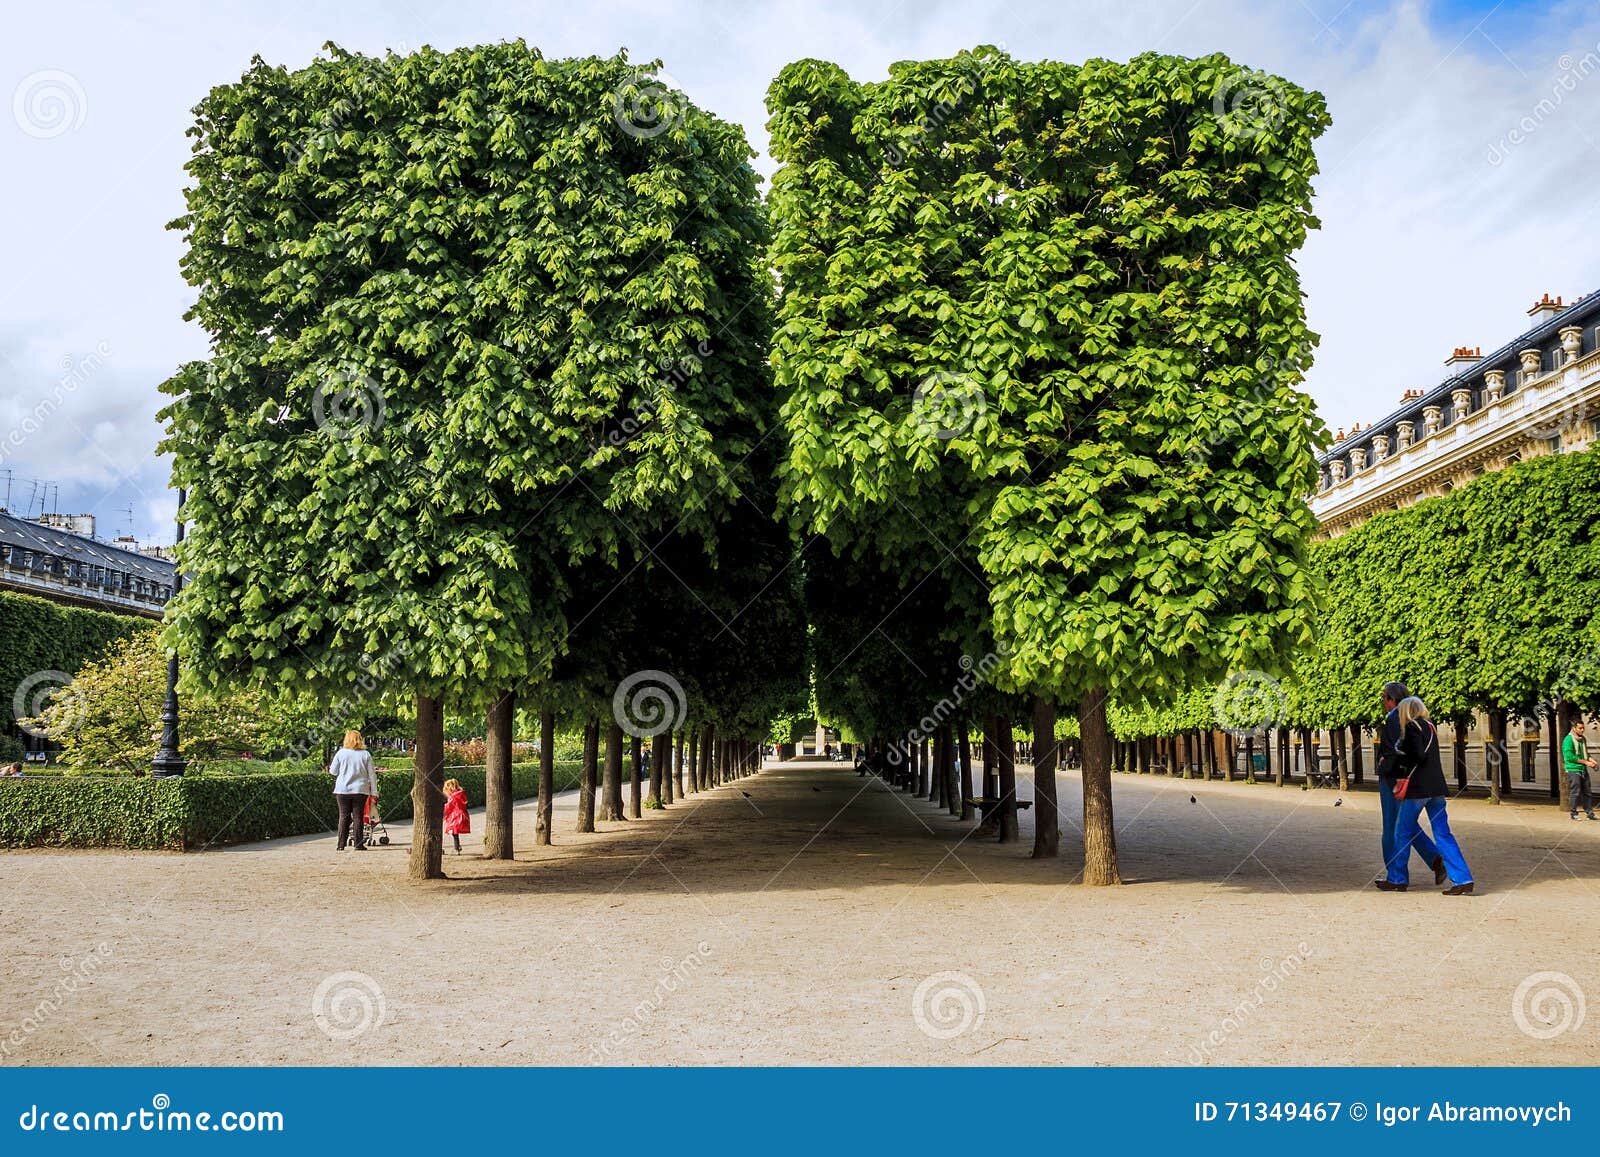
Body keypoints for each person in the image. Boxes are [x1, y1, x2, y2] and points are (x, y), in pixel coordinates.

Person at [1377, 696, 1474, 895]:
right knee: (1443, 833)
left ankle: (1397, 878)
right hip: (1436, 789)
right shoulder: (1430, 726)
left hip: (1418, 790)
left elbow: (1417, 756)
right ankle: (1462, 879)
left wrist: (1394, 762)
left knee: (1401, 833)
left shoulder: (1412, 727)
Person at [1376, 681, 1445, 887]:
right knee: (1405, 825)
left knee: (1392, 827)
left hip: (1393, 779)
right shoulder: (1413, 717)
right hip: (1407, 778)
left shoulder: (1395, 719)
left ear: (1391, 699)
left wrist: (1386, 764)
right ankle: (1434, 859)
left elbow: (1398, 750)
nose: (1383, 702)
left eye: (1384, 698)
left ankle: (1396, 876)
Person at [328, 729, 378, 852]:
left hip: (342, 790)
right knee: (358, 817)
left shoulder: (341, 753)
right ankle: (358, 844)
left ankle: (340, 844)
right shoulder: (366, 754)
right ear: (360, 740)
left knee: (343, 816)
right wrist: (374, 792)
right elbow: (372, 775)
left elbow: (333, 771)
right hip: (360, 790)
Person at [1561, 718, 1597, 821]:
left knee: (1587, 792)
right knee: (1575, 792)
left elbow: (1585, 754)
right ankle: (1573, 813)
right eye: (1580, 728)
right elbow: (1569, 757)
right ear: (1574, 728)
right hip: (1573, 770)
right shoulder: (1568, 740)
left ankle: (1589, 813)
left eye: (1583, 728)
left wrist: (1591, 760)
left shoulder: (1583, 739)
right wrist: (1586, 762)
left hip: (1583, 769)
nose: (1582, 730)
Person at [443, 777, 470, 855]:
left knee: (454, 832)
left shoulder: (453, 797)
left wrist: (443, 808)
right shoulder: (461, 794)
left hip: (455, 817)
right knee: (455, 833)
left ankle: (456, 848)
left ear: (449, 788)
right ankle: (457, 846)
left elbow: (448, 807)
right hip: (462, 815)